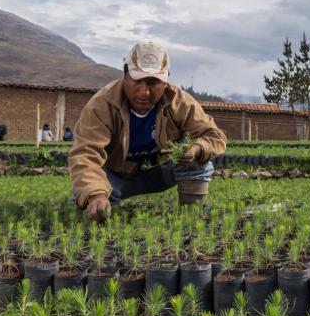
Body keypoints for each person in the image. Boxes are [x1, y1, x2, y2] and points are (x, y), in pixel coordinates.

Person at [69, 41, 227, 222]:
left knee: (199, 159)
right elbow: (85, 154)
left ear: (166, 80)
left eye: (153, 83)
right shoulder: (102, 105)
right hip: (116, 179)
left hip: (160, 173)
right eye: (137, 81)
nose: (144, 92)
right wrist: (95, 193)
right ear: (125, 75)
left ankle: (191, 216)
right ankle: (102, 203)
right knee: (90, 193)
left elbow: (214, 136)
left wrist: (197, 149)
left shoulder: (179, 101)